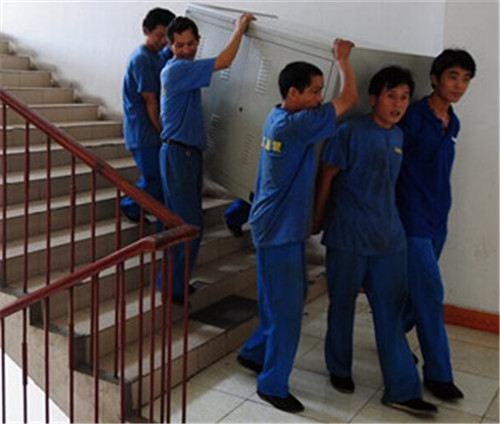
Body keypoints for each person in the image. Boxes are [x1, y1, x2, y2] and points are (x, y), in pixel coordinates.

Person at [236, 39, 358, 414]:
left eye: (321, 90)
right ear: (293, 93)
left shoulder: (278, 116)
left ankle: (253, 352)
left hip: (272, 224)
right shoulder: (299, 125)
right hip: (279, 231)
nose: (321, 98)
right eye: (315, 91)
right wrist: (342, 60)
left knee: (280, 299)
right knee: (287, 311)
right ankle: (272, 384)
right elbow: (349, 98)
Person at [313, 66, 438, 415]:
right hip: (348, 236)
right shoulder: (350, 131)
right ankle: (339, 368)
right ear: (373, 99)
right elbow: (327, 176)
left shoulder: (399, 137)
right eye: (391, 96)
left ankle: (403, 388)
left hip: (389, 240)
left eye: (404, 98)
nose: (398, 104)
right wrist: (318, 217)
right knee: (342, 306)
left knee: (390, 313)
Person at [396, 49, 476, 401]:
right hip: (411, 218)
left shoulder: (452, 122)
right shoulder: (412, 117)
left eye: (466, 79)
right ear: (434, 78)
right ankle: (439, 374)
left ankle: (391, 338)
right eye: (453, 76)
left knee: (414, 296)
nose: (459, 85)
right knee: (430, 293)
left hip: (438, 217)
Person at [157, 14, 255, 301]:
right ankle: (174, 289)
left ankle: (174, 282)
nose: (185, 50)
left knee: (184, 223)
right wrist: (239, 30)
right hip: (178, 154)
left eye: (190, 44)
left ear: (198, 42)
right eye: (179, 45)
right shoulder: (177, 69)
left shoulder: (181, 68)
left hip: (186, 153)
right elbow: (224, 61)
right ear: (170, 46)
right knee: (188, 225)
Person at [121, 8, 176, 223]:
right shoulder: (142, 60)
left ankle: (146, 209)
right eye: (159, 35)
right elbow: (150, 101)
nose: (163, 41)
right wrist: (163, 131)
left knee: (159, 177)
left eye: (167, 37)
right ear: (146, 31)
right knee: (154, 179)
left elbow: (167, 54)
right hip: (143, 131)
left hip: (149, 130)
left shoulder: (155, 56)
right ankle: (130, 205)